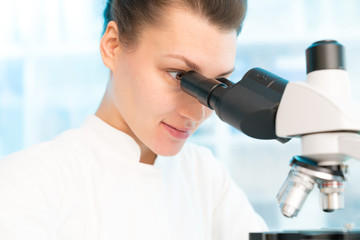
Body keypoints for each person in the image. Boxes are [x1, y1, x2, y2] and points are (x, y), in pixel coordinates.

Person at [0, 0, 267, 239]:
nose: (197, 113)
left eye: (217, 84)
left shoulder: (205, 177)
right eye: (177, 74)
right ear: (112, 46)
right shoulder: (27, 183)